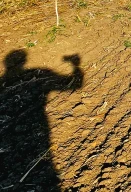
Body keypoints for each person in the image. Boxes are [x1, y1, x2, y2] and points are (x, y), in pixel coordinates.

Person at [0, 50, 83, 191]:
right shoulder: (39, 73)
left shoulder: (4, 80)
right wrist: (76, 66)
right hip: (39, 124)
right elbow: (75, 84)